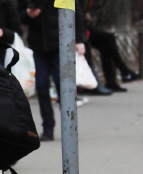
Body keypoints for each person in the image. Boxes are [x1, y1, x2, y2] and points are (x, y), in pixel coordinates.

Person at [18, 0, 92, 139]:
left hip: (61, 45)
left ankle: (68, 124)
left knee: (62, 85)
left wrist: (79, 40)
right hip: (39, 46)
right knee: (42, 85)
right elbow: (18, 17)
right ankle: (48, 128)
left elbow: (75, 14)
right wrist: (29, 14)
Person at [83, 0, 140, 92]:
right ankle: (124, 71)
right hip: (77, 28)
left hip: (82, 26)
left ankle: (112, 81)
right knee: (108, 38)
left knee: (105, 47)